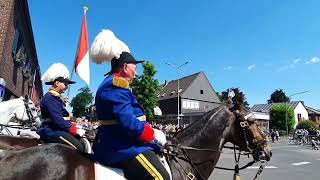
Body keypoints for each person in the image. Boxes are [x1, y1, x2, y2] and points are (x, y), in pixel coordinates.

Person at [90, 29, 170, 180]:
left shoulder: (115, 84)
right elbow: (128, 122)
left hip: (121, 141)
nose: (136, 73)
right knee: (161, 177)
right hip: (120, 146)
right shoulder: (115, 84)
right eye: (135, 68)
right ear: (125, 67)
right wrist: (152, 134)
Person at [36, 63, 86, 152]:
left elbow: (64, 117)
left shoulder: (56, 97)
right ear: (57, 83)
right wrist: (74, 129)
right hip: (52, 130)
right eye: (65, 84)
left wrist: (75, 125)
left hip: (56, 128)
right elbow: (58, 120)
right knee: (80, 149)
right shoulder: (51, 97)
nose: (67, 86)